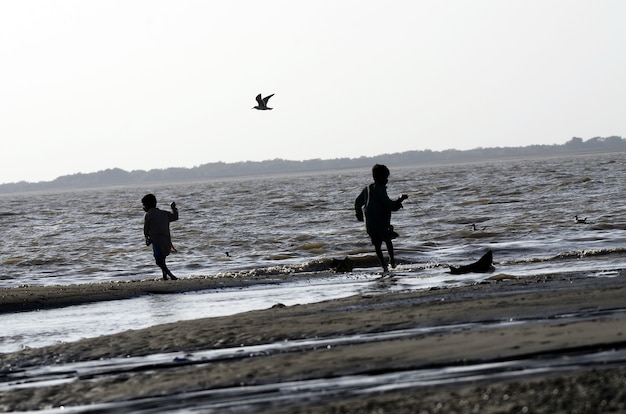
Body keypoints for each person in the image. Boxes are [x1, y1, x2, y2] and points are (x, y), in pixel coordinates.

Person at [355, 164, 408, 273]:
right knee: (387, 239)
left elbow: (357, 202)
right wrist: (400, 200)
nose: (387, 180)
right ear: (379, 178)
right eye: (385, 178)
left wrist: (359, 213)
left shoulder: (368, 188)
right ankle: (392, 261)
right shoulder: (380, 189)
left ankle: (384, 266)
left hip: (370, 224)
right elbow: (388, 205)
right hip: (381, 223)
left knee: (377, 244)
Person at [142, 193, 179, 280]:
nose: (143, 207)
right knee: (162, 258)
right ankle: (164, 276)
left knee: (158, 261)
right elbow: (175, 217)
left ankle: (171, 275)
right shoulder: (163, 213)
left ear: (147, 205)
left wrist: (146, 238)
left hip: (156, 240)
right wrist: (173, 208)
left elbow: (146, 229)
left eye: (143, 205)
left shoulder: (148, 215)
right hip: (166, 240)